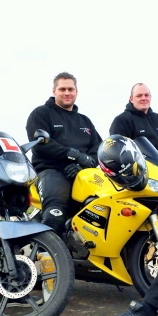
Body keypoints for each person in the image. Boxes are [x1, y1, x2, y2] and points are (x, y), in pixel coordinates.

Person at [26, 72, 102, 237]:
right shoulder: (41, 113)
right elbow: (41, 145)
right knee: (55, 217)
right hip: (52, 171)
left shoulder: (85, 121)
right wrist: (75, 155)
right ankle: (46, 256)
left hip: (83, 174)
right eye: (62, 89)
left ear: (76, 92)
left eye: (70, 89)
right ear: (54, 91)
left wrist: (82, 164)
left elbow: (99, 149)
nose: (67, 93)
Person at [109, 83, 158, 164]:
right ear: (131, 99)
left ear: (150, 97)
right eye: (139, 96)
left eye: (146, 95)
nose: (144, 98)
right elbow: (118, 151)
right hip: (139, 173)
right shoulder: (121, 121)